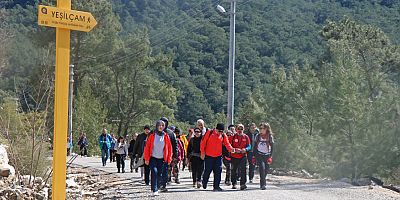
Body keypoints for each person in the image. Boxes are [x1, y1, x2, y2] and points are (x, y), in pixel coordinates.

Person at [200, 123, 234, 191]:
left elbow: (227, 144)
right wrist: (202, 153)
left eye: (222, 131)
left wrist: (231, 149)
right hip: (209, 156)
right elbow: (203, 143)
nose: (220, 133)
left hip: (218, 156)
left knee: (218, 171)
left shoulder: (223, 135)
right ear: (216, 129)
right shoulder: (209, 132)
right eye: (219, 131)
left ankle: (216, 186)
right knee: (207, 170)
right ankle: (204, 182)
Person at [144, 120, 173, 196]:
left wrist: (169, 159)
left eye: (162, 125)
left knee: (159, 174)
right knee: (154, 172)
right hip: (153, 158)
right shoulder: (152, 136)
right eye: (159, 125)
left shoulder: (166, 136)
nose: (161, 127)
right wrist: (146, 159)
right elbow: (147, 148)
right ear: (156, 126)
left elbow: (170, 149)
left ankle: (156, 186)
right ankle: (155, 189)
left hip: (162, 159)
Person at [229, 124, 251, 190]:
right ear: (236, 129)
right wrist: (235, 149)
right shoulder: (233, 137)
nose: (240, 130)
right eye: (239, 129)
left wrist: (246, 149)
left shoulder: (246, 137)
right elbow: (229, 145)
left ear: (243, 129)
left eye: (241, 129)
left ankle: (243, 184)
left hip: (243, 156)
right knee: (234, 170)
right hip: (234, 156)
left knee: (243, 170)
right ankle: (234, 183)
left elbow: (249, 146)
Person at [253, 122, 274, 190]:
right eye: (260, 128)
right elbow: (255, 147)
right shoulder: (258, 136)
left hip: (267, 155)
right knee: (262, 168)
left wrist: (271, 156)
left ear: (266, 129)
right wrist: (254, 156)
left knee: (266, 170)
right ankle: (262, 184)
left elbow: (272, 147)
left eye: (263, 128)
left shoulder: (270, 136)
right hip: (259, 154)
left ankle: (263, 180)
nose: (261, 129)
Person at [159, 117, 178, 190]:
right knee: (158, 170)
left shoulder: (171, 133)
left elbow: (175, 144)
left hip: (168, 155)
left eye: (165, 122)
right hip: (157, 155)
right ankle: (159, 183)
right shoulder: (155, 132)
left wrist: (175, 155)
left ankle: (163, 184)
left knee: (166, 170)